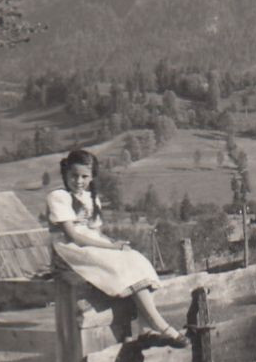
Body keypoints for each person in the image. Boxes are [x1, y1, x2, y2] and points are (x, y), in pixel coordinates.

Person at [46, 148, 187, 347]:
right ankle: (160, 325)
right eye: (74, 176)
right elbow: (73, 236)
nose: (78, 181)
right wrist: (110, 249)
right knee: (120, 265)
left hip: (89, 244)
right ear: (66, 173)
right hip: (69, 251)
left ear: (92, 177)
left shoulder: (91, 198)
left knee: (134, 258)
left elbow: (96, 232)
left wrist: (115, 244)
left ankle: (145, 329)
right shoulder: (59, 197)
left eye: (84, 176)